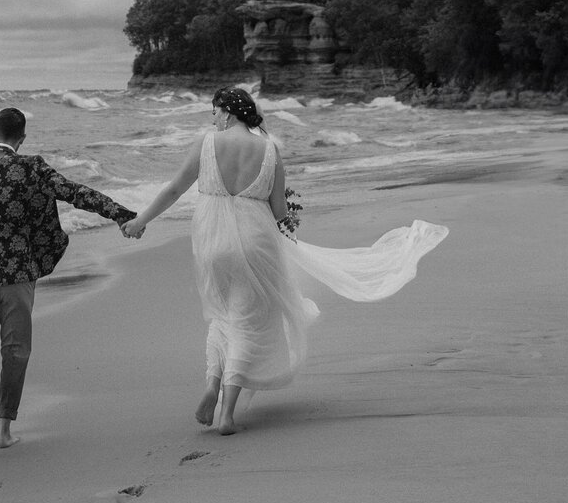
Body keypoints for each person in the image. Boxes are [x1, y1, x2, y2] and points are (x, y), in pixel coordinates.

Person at [123, 86, 448, 436]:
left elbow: (174, 189)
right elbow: (278, 210)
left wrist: (140, 221)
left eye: (214, 112)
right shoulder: (270, 150)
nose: (213, 119)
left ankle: (211, 384)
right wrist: (286, 219)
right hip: (257, 241)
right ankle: (227, 412)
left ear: (228, 113)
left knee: (222, 314)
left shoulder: (206, 143)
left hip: (212, 242)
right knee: (250, 319)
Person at [0, 107, 137, 449]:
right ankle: (4, 431)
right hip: (18, 273)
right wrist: (123, 215)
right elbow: (76, 193)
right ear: (22, 139)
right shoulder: (32, 167)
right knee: (15, 350)